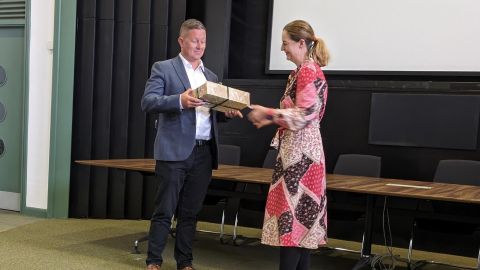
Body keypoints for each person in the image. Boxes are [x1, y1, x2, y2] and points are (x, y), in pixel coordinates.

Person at [141, 18, 242, 270]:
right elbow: (148, 102)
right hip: (174, 152)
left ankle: (184, 262)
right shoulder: (163, 68)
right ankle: (154, 261)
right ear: (182, 41)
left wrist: (225, 112)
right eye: (195, 40)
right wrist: (179, 101)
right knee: (165, 210)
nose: (199, 45)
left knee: (190, 212)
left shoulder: (211, 76)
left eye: (203, 41)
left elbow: (211, 114)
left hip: (204, 152)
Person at [247, 19, 330, 270]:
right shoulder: (299, 72)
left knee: (293, 225)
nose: (282, 49)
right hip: (300, 152)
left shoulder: (308, 71)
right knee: (299, 228)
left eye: (285, 43)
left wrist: (267, 113)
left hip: (301, 156)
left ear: (301, 43)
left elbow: (304, 115)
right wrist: (272, 119)